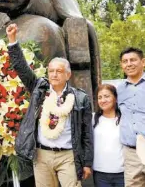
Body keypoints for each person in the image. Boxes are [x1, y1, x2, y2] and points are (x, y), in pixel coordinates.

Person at [6, 24, 93, 187]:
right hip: (42, 155)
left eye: (59, 71)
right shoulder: (39, 88)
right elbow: (21, 68)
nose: (54, 74)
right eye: (51, 71)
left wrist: (87, 163)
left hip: (68, 156)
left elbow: (87, 133)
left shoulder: (80, 98)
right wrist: (12, 40)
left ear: (68, 75)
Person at [117, 47, 145, 186]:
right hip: (131, 153)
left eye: (133, 60)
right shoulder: (119, 89)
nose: (129, 64)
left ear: (143, 62)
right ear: (121, 65)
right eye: (125, 61)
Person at [93, 84, 124, 187]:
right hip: (100, 173)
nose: (103, 100)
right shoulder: (92, 119)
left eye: (107, 96)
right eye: (100, 97)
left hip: (122, 172)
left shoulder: (125, 119)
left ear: (115, 98)